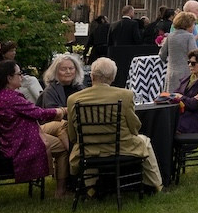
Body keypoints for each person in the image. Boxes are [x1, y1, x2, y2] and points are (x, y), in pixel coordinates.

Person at [67, 57, 162, 191]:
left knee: (86, 146)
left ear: (92, 76)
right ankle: (155, 184)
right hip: (121, 146)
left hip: (88, 149)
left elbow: (72, 134)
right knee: (145, 141)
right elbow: (134, 127)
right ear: (112, 77)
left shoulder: (73, 99)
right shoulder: (125, 95)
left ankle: (92, 190)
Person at [0, 60, 69, 197]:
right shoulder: (11, 98)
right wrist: (63, 110)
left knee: (61, 125)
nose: (21, 77)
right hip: (18, 143)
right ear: (9, 78)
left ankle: (76, 160)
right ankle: (62, 189)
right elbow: (39, 113)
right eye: (19, 73)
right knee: (62, 148)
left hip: (4, 139)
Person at [169, 48, 198, 134]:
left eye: (193, 63)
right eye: (189, 62)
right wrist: (185, 99)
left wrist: (181, 97)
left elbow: (194, 105)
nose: (190, 65)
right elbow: (174, 94)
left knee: (166, 128)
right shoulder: (188, 78)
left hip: (194, 123)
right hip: (182, 118)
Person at [159, 11, 197, 92]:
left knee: (170, 99)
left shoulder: (170, 36)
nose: (193, 26)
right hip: (186, 73)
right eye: (193, 24)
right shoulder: (189, 37)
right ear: (188, 24)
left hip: (171, 73)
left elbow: (162, 54)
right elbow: (194, 55)